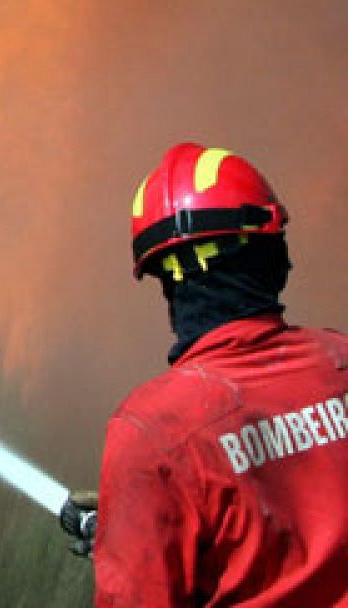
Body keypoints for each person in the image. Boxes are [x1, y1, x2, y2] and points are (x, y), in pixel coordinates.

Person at [60, 142, 348, 606]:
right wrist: (151, 515)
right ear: (273, 253)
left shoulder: (155, 432)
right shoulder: (341, 362)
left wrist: (143, 534)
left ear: (163, 279)